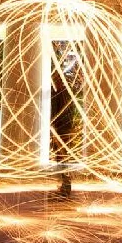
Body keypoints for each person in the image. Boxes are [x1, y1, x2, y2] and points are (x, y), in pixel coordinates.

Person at [50, 66, 75, 199]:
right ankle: (64, 185)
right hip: (63, 129)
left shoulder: (61, 94)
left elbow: (60, 114)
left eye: (55, 79)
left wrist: (55, 129)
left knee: (62, 159)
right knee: (61, 159)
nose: (54, 81)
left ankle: (65, 188)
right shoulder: (65, 93)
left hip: (62, 130)